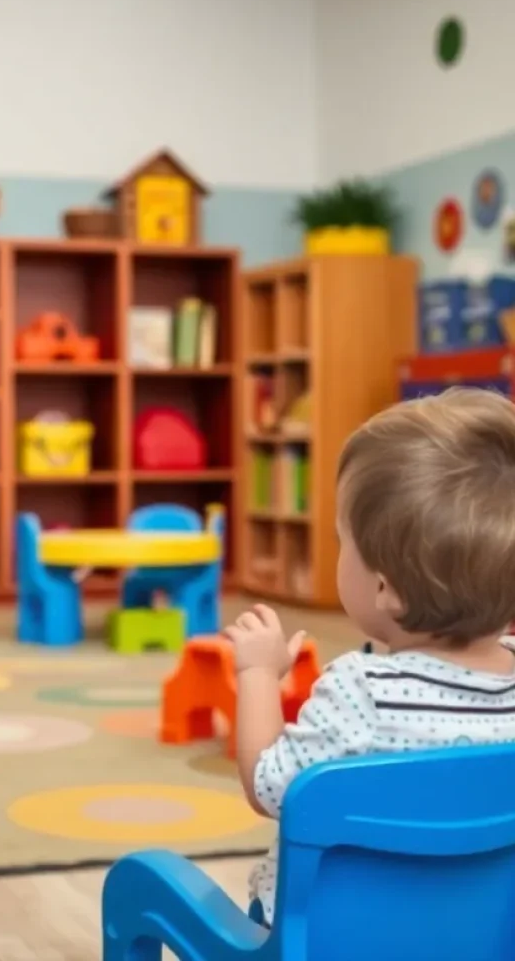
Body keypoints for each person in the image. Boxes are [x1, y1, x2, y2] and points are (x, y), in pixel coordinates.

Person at [226, 387, 515, 927]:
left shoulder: (361, 692)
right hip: (477, 933)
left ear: (385, 588)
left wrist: (258, 673)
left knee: (147, 884)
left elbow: (268, 788)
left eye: (343, 542)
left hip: (336, 936)